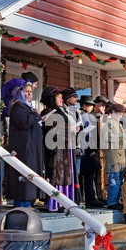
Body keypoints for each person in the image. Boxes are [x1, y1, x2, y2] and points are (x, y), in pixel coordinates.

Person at [6, 78, 45, 208]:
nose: (29, 94)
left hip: (31, 149)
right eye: (26, 91)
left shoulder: (28, 107)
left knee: (30, 177)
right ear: (20, 93)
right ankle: (22, 206)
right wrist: (36, 115)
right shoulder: (18, 106)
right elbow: (24, 123)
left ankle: (27, 205)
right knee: (23, 179)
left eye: (30, 91)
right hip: (23, 149)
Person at [40, 86, 75, 212]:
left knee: (64, 176)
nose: (61, 99)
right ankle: (55, 203)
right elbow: (51, 132)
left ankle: (64, 202)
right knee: (56, 176)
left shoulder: (60, 112)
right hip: (55, 150)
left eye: (61, 97)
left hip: (64, 149)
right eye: (58, 97)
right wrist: (68, 131)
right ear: (51, 99)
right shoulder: (48, 112)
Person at [78, 95, 104, 208]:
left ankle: (85, 198)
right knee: (88, 175)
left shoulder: (86, 116)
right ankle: (89, 198)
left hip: (85, 149)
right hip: (85, 149)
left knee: (86, 175)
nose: (91, 107)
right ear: (84, 105)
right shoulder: (83, 116)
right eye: (89, 105)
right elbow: (87, 135)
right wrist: (92, 149)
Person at [104, 103, 126, 210]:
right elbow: (107, 137)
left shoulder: (118, 124)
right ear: (113, 112)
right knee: (114, 181)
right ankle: (112, 202)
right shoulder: (109, 123)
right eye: (118, 113)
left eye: (121, 114)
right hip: (114, 157)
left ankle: (117, 201)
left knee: (119, 181)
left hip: (121, 156)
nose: (120, 116)